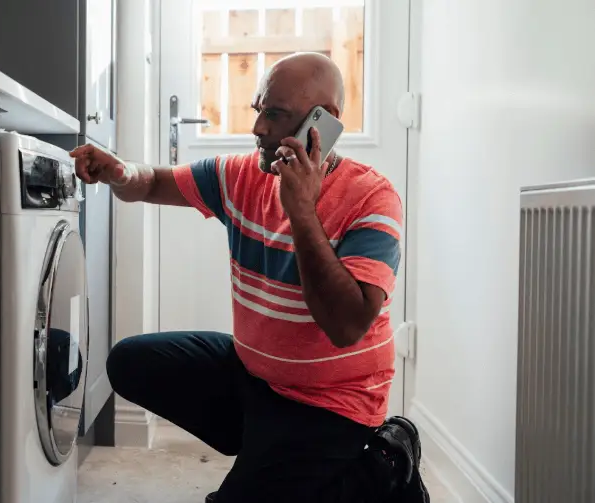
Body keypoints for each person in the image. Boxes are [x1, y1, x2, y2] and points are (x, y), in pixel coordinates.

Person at [70, 52, 430, 503]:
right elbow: (151, 182)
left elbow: (346, 325)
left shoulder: (372, 198)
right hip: (256, 378)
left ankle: (375, 471)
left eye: (275, 115)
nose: (258, 128)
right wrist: (119, 171)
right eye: (259, 111)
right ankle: (270, 448)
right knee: (130, 362)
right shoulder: (241, 175)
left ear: (325, 123)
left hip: (334, 405)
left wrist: (301, 209)